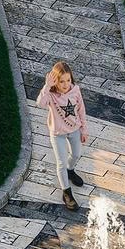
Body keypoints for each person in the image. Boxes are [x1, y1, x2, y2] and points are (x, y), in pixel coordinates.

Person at [34, 59, 89, 208]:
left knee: (76, 154)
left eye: (68, 80)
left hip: (74, 129)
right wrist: (47, 87)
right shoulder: (50, 95)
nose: (66, 85)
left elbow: (81, 110)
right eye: (62, 81)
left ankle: (70, 171)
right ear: (55, 82)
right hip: (57, 133)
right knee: (61, 162)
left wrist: (84, 129)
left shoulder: (75, 90)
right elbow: (40, 103)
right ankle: (67, 192)